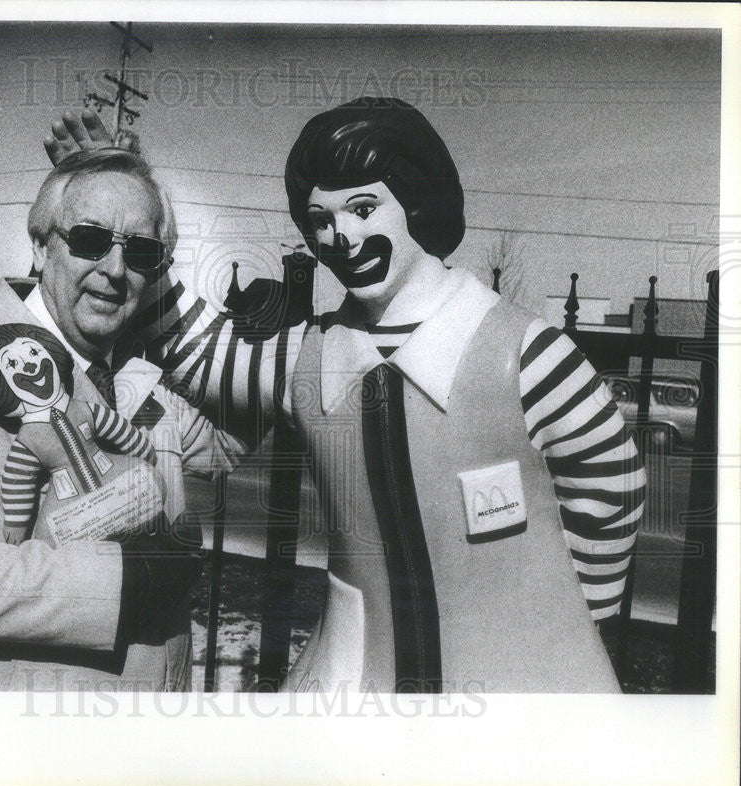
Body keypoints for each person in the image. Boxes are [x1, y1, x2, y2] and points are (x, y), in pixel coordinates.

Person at [46, 99, 646, 693]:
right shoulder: (307, 357)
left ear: (415, 202)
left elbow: (612, 483)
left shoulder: (525, 352)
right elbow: (198, 349)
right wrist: (119, 198)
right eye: (321, 218)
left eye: (364, 208)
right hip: (355, 679)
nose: (343, 237)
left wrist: (569, 625)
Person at [0, 148, 244, 691]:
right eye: (89, 240)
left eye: (140, 252)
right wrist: (125, 580)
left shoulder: (138, 377)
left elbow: (228, 446)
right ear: (40, 247)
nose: (114, 270)